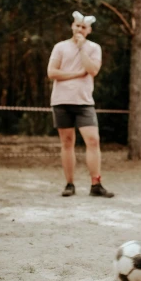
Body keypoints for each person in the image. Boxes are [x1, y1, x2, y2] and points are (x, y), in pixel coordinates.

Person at [47, 11, 114, 198]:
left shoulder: (94, 48)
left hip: (84, 102)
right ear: (72, 26)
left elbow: (92, 70)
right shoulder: (60, 47)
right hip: (61, 100)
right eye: (77, 26)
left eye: (84, 27)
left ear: (89, 30)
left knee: (93, 141)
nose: (79, 29)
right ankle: (69, 184)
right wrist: (76, 74)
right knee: (67, 143)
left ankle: (96, 184)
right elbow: (52, 72)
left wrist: (82, 47)